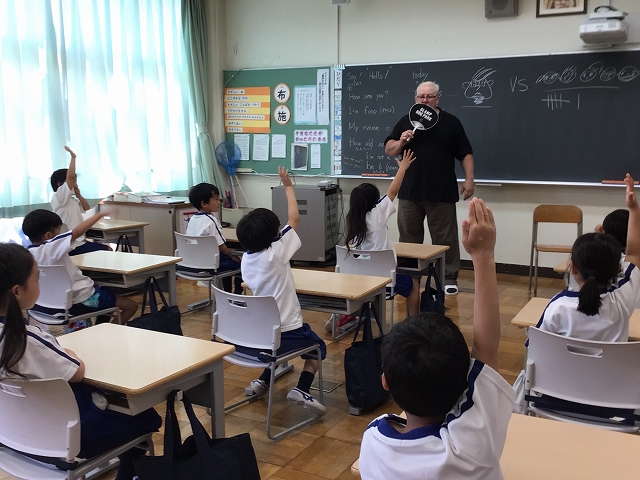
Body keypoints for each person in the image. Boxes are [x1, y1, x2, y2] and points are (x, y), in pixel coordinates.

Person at [359, 198, 514, 480]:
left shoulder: (373, 441)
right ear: (465, 383)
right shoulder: (470, 449)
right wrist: (483, 256)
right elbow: (486, 349)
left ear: (386, 382)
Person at [0, 243, 161, 480]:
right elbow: (77, 371)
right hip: (61, 442)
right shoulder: (24, 340)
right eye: (37, 278)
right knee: (144, 414)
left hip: (12, 435)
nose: (40, 284)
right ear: (17, 291)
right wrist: (68, 352)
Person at [235, 166, 326, 415]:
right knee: (317, 349)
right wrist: (288, 186)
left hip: (256, 334)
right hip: (288, 329)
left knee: (273, 347)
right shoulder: (276, 252)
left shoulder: (245, 260)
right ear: (275, 234)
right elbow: (294, 219)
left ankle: (262, 380)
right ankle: (301, 388)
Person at [384, 81, 474, 296]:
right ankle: (409, 277)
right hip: (409, 191)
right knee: (408, 238)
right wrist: (401, 141)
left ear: (437, 98)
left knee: (445, 239)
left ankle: (448, 278)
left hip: (442, 191)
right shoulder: (406, 121)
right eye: (421, 97)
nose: (424, 100)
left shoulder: (450, 122)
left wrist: (469, 179)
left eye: (429, 96)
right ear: (415, 99)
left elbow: (465, 153)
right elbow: (389, 149)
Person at [536, 174, 640, 342]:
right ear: (618, 268)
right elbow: (634, 253)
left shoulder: (558, 307)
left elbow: (537, 345)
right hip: (614, 361)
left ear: (573, 267)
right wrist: (634, 208)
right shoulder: (622, 300)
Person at [22, 209, 138, 325]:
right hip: (82, 299)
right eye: (59, 230)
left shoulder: (28, 254)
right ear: (48, 235)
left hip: (50, 306)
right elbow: (77, 232)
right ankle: (106, 331)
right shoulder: (51, 248)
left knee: (106, 299)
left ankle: (99, 327)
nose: (61, 234)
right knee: (131, 306)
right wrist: (100, 214)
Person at [343, 149, 420, 316]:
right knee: (414, 285)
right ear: (374, 201)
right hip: (383, 282)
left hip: (358, 280)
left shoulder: (353, 219)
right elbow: (392, 191)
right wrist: (403, 168)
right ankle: (414, 321)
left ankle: (350, 316)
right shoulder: (377, 214)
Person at [50, 146, 111, 256]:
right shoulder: (59, 196)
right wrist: (73, 158)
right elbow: (70, 178)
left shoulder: (70, 200)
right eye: (73, 181)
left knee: (105, 249)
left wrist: (79, 195)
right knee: (108, 250)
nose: (74, 183)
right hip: (73, 244)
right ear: (59, 184)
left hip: (80, 241)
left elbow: (86, 207)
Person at [185, 182, 242, 294]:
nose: (219, 202)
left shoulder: (192, 219)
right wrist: (232, 255)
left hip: (193, 262)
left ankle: (226, 291)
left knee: (227, 260)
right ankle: (236, 294)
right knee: (239, 263)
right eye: (215, 199)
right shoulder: (211, 220)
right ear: (204, 203)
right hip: (211, 264)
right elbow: (221, 246)